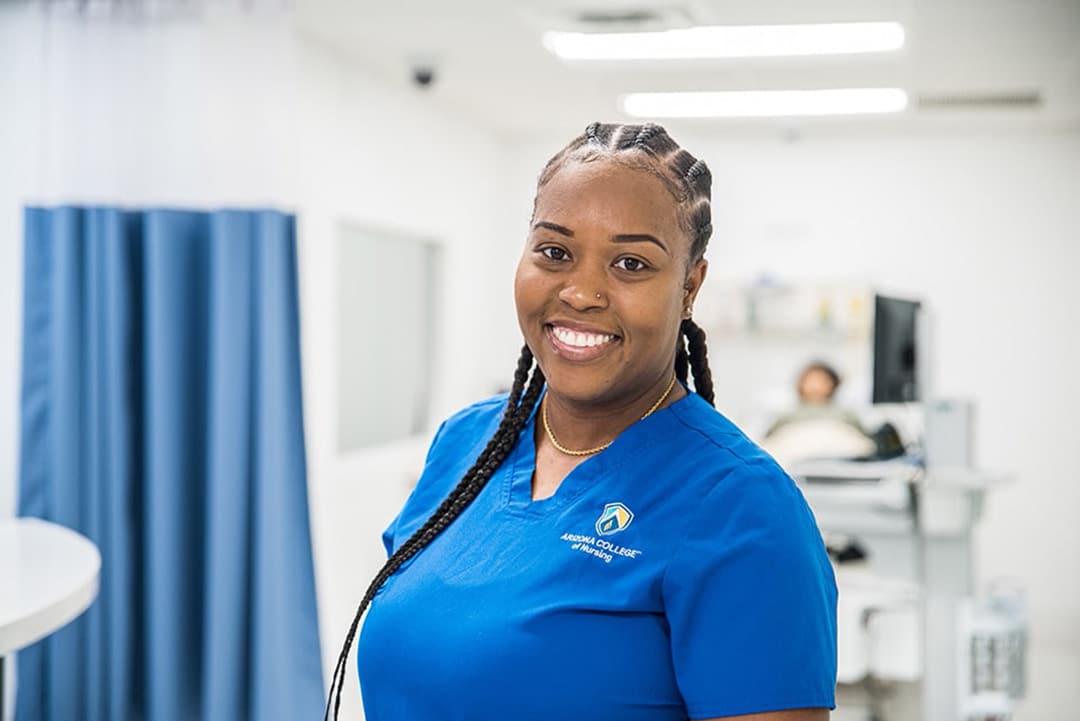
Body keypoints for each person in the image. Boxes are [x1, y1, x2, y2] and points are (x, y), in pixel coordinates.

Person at [323, 122, 838, 721]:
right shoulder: (466, 443)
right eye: (555, 252)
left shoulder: (741, 505)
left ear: (689, 286)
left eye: (630, 263)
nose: (582, 292)